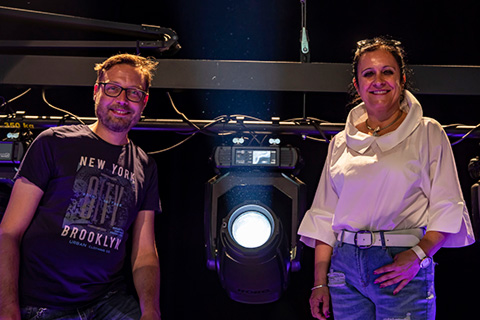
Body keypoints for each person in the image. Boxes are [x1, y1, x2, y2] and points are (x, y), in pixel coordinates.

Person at [297, 37, 475, 320]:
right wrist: (320, 281)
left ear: (401, 79)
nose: (378, 80)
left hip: (399, 265)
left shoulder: (427, 133)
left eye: (387, 71)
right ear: (357, 85)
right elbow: (323, 215)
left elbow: (447, 205)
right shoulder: (342, 142)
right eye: (368, 73)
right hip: (344, 269)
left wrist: (418, 255)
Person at [0, 53, 162, 320]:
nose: (122, 100)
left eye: (134, 93)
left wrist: (151, 311)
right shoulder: (54, 142)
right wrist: (7, 309)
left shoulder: (146, 165)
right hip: (44, 305)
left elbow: (144, 252)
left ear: (143, 102)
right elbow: (8, 232)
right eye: (113, 89)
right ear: (97, 92)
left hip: (106, 301)